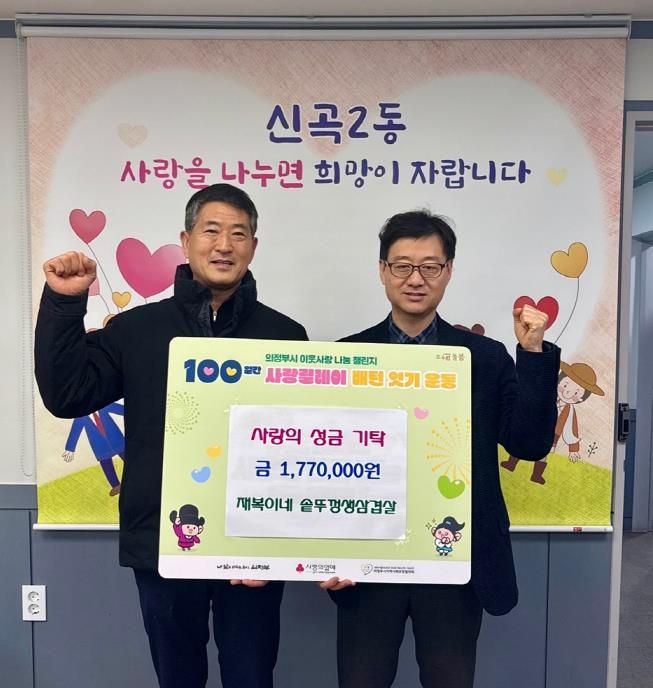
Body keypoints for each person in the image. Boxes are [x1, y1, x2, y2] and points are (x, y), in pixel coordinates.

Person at [35, 183, 308, 688]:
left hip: (252, 543)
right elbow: (67, 395)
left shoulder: (286, 336)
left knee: (251, 675)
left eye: (238, 234)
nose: (224, 245)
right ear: (185, 241)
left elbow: (298, 445)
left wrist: (280, 542)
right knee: (178, 677)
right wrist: (63, 305)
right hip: (165, 539)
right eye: (211, 231)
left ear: (253, 246)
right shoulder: (136, 329)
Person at [321, 210, 560, 688]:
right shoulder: (347, 356)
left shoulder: (485, 357)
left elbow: (530, 444)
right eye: (402, 266)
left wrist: (532, 354)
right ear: (382, 270)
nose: (416, 279)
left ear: (448, 270)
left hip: (455, 559)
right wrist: (327, 554)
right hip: (369, 561)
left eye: (430, 266)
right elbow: (326, 463)